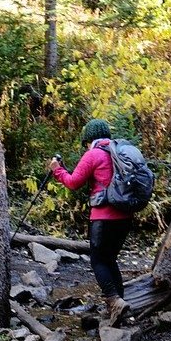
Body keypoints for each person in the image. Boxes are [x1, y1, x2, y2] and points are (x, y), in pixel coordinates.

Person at [48, 118, 132, 326]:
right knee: (110, 259)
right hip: (125, 217)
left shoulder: (93, 153)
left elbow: (74, 182)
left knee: (98, 261)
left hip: (103, 218)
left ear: (89, 139)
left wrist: (57, 170)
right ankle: (119, 305)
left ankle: (113, 301)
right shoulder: (119, 151)